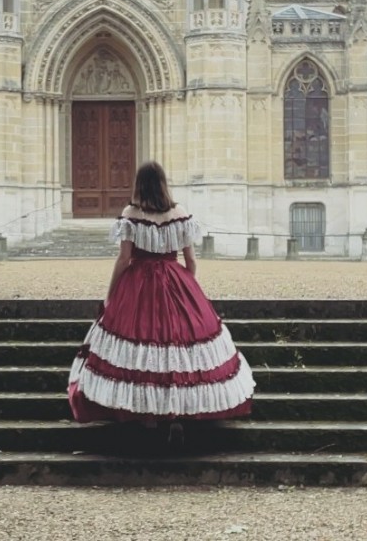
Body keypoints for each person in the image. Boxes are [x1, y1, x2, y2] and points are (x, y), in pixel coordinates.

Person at [68, 161, 255, 434]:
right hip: (175, 279)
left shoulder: (131, 214)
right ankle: (176, 413)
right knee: (176, 347)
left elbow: (124, 259)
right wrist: (187, 290)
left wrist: (110, 295)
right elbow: (191, 261)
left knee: (141, 346)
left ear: (139, 185)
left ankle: (149, 418)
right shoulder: (179, 214)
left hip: (138, 284)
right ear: (163, 184)